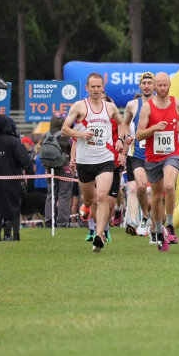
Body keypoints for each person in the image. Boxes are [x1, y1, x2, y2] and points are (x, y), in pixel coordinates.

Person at [61, 73, 127, 253]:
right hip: (84, 161)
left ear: (103, 87)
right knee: (90, 198)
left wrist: (120, 139)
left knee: (102, 196)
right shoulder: (79, 106)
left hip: (105, 158)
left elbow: (122, 123)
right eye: (93, 87)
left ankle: (99, 235)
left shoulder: (110, 107)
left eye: (99, 86)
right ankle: (87, 206)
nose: (96, 90)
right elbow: (65, 129)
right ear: (87, 88)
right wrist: (81, 134)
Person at [134, 72, 179, 252]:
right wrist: (154, 128)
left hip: (172, 153)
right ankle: (158, 229)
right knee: (156, 197)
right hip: (152, 156)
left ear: (170, 85)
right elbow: (139, 135)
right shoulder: (147, 108)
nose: (162, 89)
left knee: (169, 187)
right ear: (155, 86)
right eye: (159, 86)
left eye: (165, 85)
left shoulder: (178, 103)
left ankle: (169, 225)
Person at [123, 71, 155, 236]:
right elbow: (125, 123)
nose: (147, 86)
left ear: (154, 86)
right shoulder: (132, 105)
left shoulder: (162, 103)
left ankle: (155, 223)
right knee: (139, 187)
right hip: (137, 154)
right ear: (140, 86)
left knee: (157, 193)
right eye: (144, 83)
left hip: (157, 154)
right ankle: (141, 218)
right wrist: (128, 136)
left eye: (150, 83)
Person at [41, 114, 74, 229]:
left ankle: (49, 222)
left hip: (49, 169)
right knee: (64, 196)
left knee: (51, 195)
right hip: (64, 169)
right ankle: (62, 223)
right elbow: (73, 148)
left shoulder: (45, 135)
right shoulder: (66, 136)